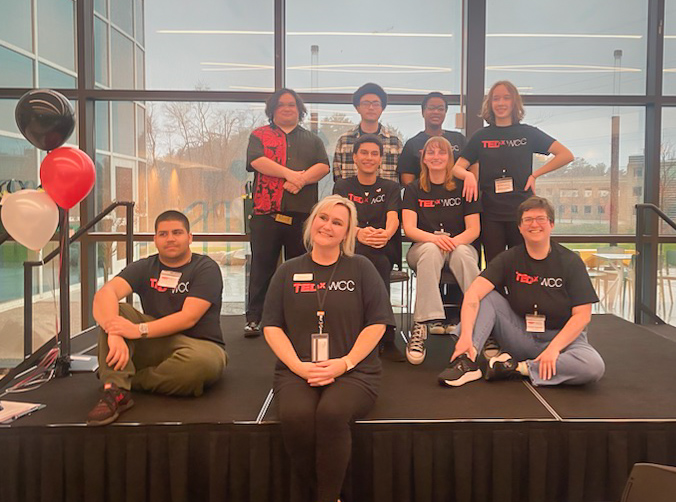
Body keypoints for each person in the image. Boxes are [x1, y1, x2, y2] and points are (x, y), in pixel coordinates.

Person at [262, 195, 395, 502]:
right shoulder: (288, 271)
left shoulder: (361, 268)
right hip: (297, 370)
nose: (328, 226)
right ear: (312, 222)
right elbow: (271, 325)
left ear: (347, 233)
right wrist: (298, 366)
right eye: (323, 218)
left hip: (355, 370)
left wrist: (344, 363)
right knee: (296, 416)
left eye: (338, 222)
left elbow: (377, 324)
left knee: (331, 413)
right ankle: (324, 494)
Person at [438, 196, 605, 388]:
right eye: (528, 220)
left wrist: (554, 349)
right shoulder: (508, 259)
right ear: (519, 227)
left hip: (561, 339)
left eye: (541, 219)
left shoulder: (571, 262)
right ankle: (468, 361)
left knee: (593, 366)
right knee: (487, 297)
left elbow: (582, 316)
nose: (535, 224)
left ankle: (517, 368)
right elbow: (473, 294)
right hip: (520, 334)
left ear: (551, 224)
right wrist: (467, 335)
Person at [86, 210, 227, 426]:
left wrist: (138, 330)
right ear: (155, 239)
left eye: (177, 232)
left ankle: (125, 380)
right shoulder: (145, 267)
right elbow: (105, 294)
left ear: (189, 237)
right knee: (118, 311)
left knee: (201, 366)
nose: (170, 238)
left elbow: (189, 317)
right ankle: (115, 391)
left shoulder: (205, 268)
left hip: (199, 346)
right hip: (154, 342)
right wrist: (113, 330)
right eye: (163, 234)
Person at [452, 80, 574, 265]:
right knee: (495, 265)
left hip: (521, 212)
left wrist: (535, 175)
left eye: (506, 98)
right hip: (490, 213)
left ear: (514, 102)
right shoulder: (481, 136)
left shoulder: (528, 133)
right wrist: (468, 175)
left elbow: (565, 155)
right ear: (490, 104)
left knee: (522, 264)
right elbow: (456, 168)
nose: (501, 103)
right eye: (496, 99)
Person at [244, 88, 330, 337]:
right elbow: (257, 162)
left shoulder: (312, 139)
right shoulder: (259, 135)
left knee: (301, 269)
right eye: (281, 105)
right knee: (262, 267)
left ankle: (297, 317)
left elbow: (323, 166)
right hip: (266, 215)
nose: (287, 108)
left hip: (302, 216)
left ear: (299, 109)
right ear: (272, 110)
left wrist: (300, 181)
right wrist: (289, 174)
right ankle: (254, 318)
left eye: (292, 105)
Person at [402, 136, 481, 365]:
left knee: (465, 254)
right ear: (423, 158)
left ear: (450, 158)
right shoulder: (413, 189)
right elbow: (409, 229)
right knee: (430, 250)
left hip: (459, 246)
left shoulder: (463, 186)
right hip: (423, 248)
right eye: (431, 153)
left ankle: (483, 319)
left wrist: (452, 242)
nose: (436, 157)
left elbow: (474, 230)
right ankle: (422, 325)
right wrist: (437, 240)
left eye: (442, 153)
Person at [333, 134, 404, 361]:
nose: (369, 158)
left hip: (383, 247)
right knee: (368, 259)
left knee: (378, 260)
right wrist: (359, 233)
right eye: (364, 153)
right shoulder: (342, 186)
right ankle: (384, 333)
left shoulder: (391, 187)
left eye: (374, 154)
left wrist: (385, 234)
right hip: (353, 246)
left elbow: (393, 217)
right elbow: (339, 219)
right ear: (354, 157)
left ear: (381, 159)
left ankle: (376, 333)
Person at [333, 82, 402, 182]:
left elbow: (400, 179)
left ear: (382, 108)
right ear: (357, 108)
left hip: (386, 197)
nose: (371, 108)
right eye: (366, 103)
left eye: (375, 104)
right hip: (349, 197)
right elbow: (337, 177)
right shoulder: (344, 140)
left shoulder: (394, 142)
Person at [397, 91, 466, 186]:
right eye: (431, 108)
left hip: (456, 198)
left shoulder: (459, 139)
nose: (436, 112)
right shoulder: (412, 144)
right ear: (423, 112)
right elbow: (407, 180)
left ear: (445, 112)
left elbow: (472, 165)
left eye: (440, 109)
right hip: (423, 197)